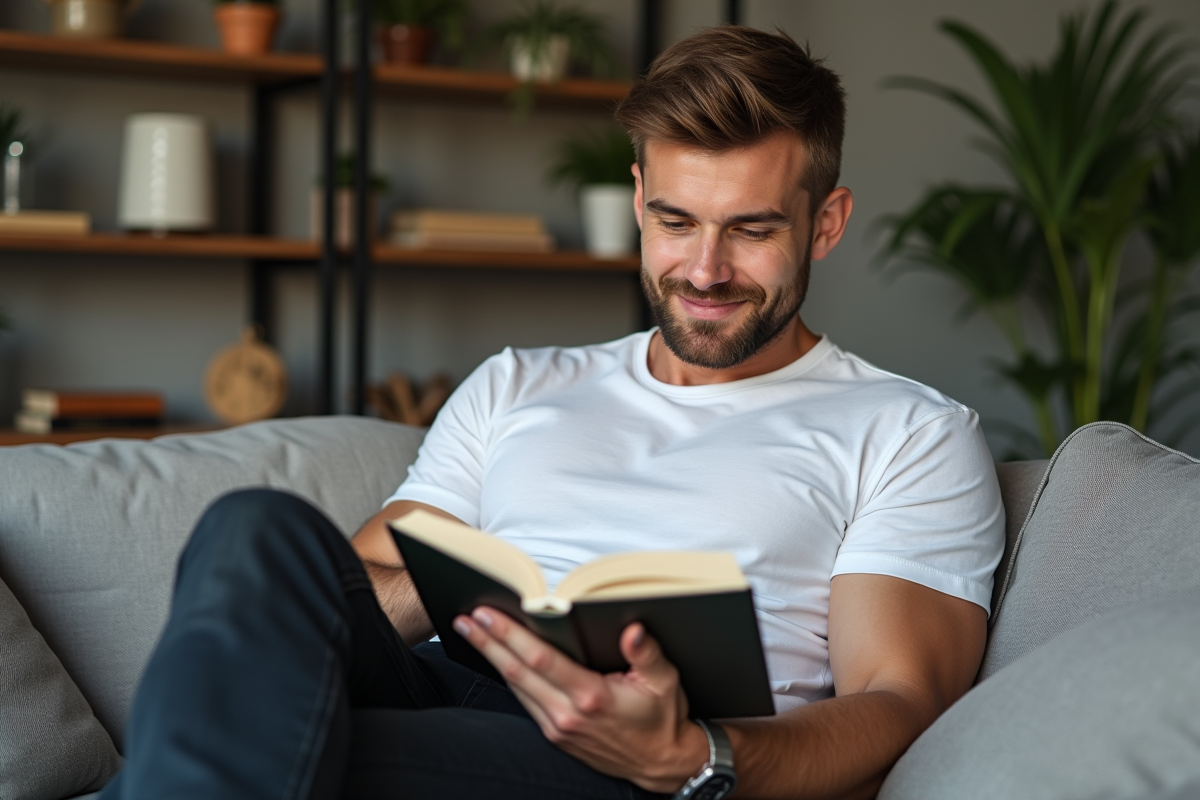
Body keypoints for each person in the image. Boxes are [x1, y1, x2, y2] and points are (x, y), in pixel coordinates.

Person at [100, 25, 1003, 800]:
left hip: (632, 757)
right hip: (448, 677)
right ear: (640, 193)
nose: (704, 269)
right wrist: (483, 591)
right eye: (675, 221)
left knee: (262, 738)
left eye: (753, 230)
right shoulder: (519, 382)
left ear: (827, 222)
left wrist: (695, 755)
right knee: (254, 528)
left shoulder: (907, 429)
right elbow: (369, 587)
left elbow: (898, 705)